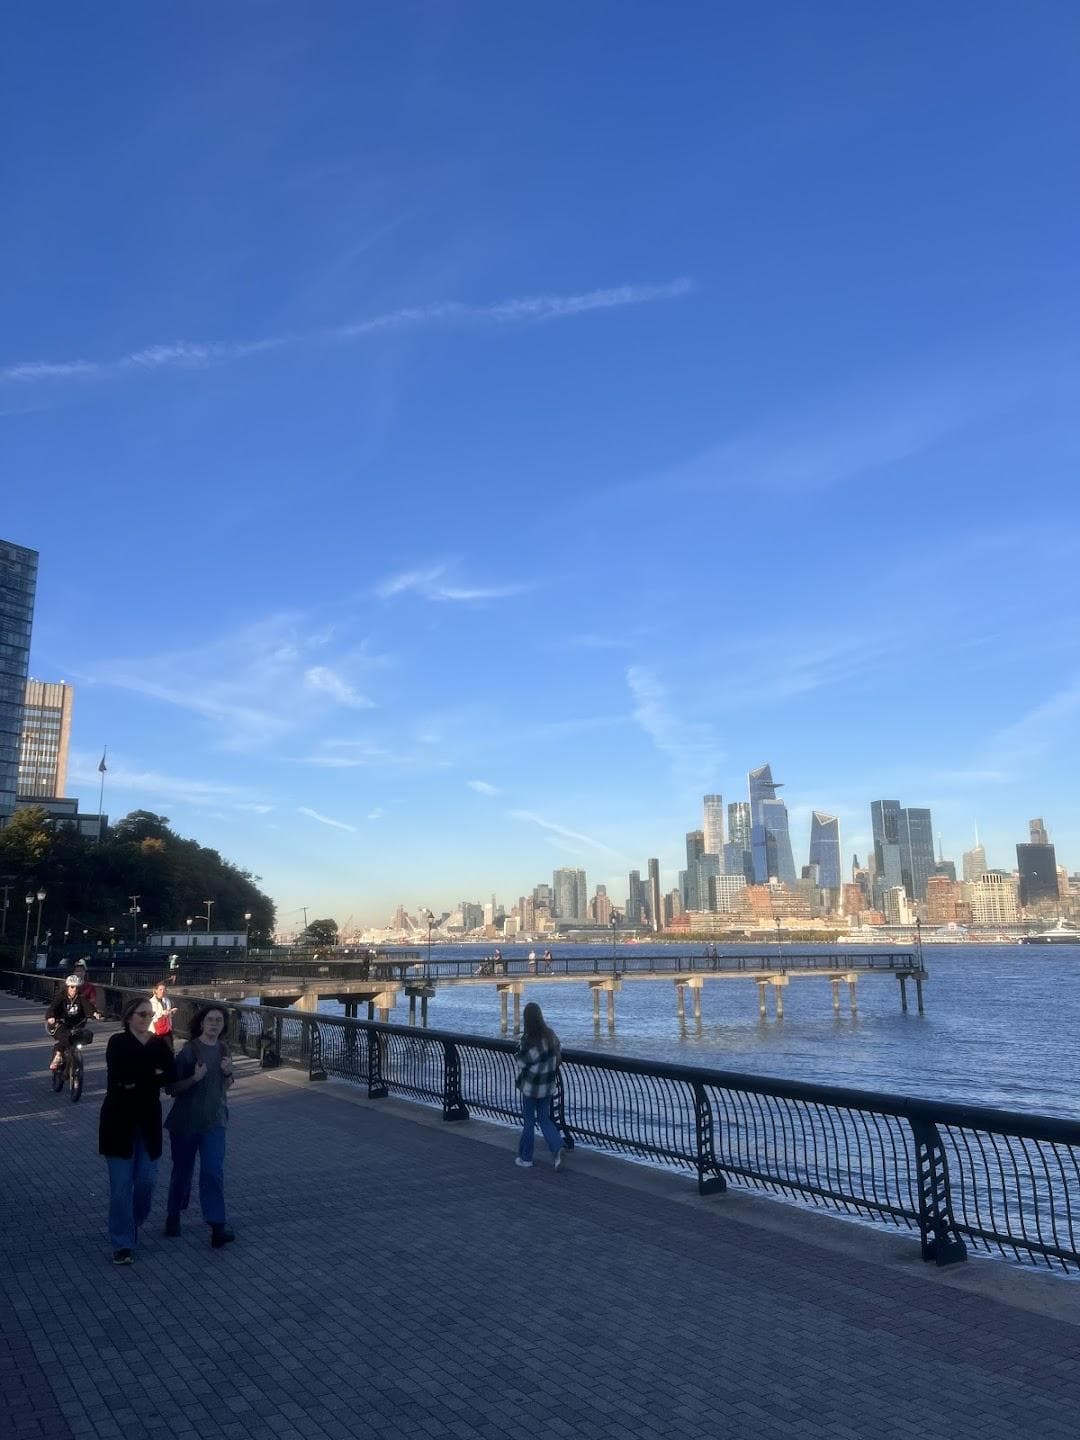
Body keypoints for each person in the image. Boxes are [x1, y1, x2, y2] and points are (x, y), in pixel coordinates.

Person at [98, 996, 177, 1264]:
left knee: (146, 1182)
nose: (147, 1019)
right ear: (129, 1016)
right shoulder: (117, 1042)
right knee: (121, 1186)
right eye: (142, 1014)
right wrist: (151, 1075)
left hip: (148, 1122)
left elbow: (171, 1075)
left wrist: (143, 1078)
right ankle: (122, 1242)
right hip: (118, 1122)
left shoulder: (159, 1044)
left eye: (150, 1015)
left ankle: (132, 1222)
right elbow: (120, 1075)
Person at [164, 1004, 236, 1248]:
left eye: (219, 1020)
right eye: (210, 1020)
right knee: (182, 1173)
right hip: (186, 1123)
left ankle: (217, 1226)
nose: (214, 1024)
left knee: (213, 1172)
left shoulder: (224, 1049)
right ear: (201, 1023)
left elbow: (225, 1086)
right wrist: (194, 1078)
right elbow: (171, 1088)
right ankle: (173, 1214)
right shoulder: (189, 1052)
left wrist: (228, 1074)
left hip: (215, 1121)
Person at [514, 1002, 566, 1170]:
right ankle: (557, 1146)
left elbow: (522, 1061)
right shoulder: (550, 1036)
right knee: (545, 1119)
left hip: (531, 1087)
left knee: (529, 1122)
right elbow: (558, 1053)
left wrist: (517, 1050)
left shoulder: (529, 1040)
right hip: (548, 1085)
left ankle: (526, 1157)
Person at [46, 975, 96, 1072]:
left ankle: (76, 1069)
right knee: (65, 1037)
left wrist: (94, 1013)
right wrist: (51, 1017)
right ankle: (58, 1055)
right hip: (62, 1024)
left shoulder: (81, 997)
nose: (74, 989)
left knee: (84, 1036)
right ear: (67, 987)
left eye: (77, 987)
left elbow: (87, 1006)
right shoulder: (61, 997)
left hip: (76, 1025)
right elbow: (53, 1007)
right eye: (72, 987)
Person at [148, 981, 174, 1049]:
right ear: (156, 991)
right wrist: (163, 1013)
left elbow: (168, 1014)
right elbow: (152, 1015)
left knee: (170, 1048)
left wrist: (171, 1012)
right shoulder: (151, 1002)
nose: (162, 991)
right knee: (157, 1049)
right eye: (160, 989)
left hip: (167, 1028)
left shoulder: (167, 1000)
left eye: (164, 990)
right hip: (156, 1029)